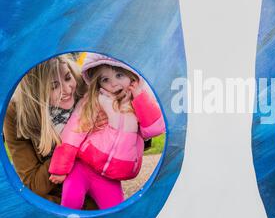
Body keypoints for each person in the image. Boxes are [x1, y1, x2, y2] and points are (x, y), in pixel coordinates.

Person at [48, 54, 165, 210]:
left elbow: (154, 129)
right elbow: (74, 132)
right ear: (98, 83)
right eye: (105, 79)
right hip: (82, 167)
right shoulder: (95, 100)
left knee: (116, 215)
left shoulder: (138, 102)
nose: (113, 84)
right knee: (70, 205)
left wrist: (140, 97)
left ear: (131, 75)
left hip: (110, 178)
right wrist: (60, 168)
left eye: (119, 75)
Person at [3, 54, 100, 208]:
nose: (68, 89)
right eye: (54, 86)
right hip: (56, 203)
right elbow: (33, 183)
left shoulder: (84, 85)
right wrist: (67, 150)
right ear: (37, 92)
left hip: (96, 191)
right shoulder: (17, 114)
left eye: (68, 77)